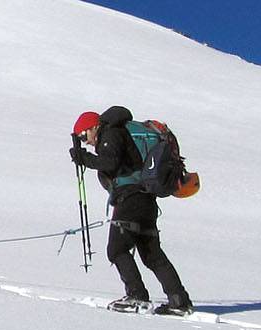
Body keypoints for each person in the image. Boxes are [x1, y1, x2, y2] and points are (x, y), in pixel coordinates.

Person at [69, 106, 194, 315]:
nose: (87, 142)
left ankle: (137, 297)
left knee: (116, 249)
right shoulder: (120, 131)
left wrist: (84, 159)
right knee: (152, 255)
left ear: (94, 127)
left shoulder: (111, 133)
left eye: (85, 136)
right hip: (146, 200)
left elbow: (109, 163)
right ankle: (179, 301)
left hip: (130, 200)